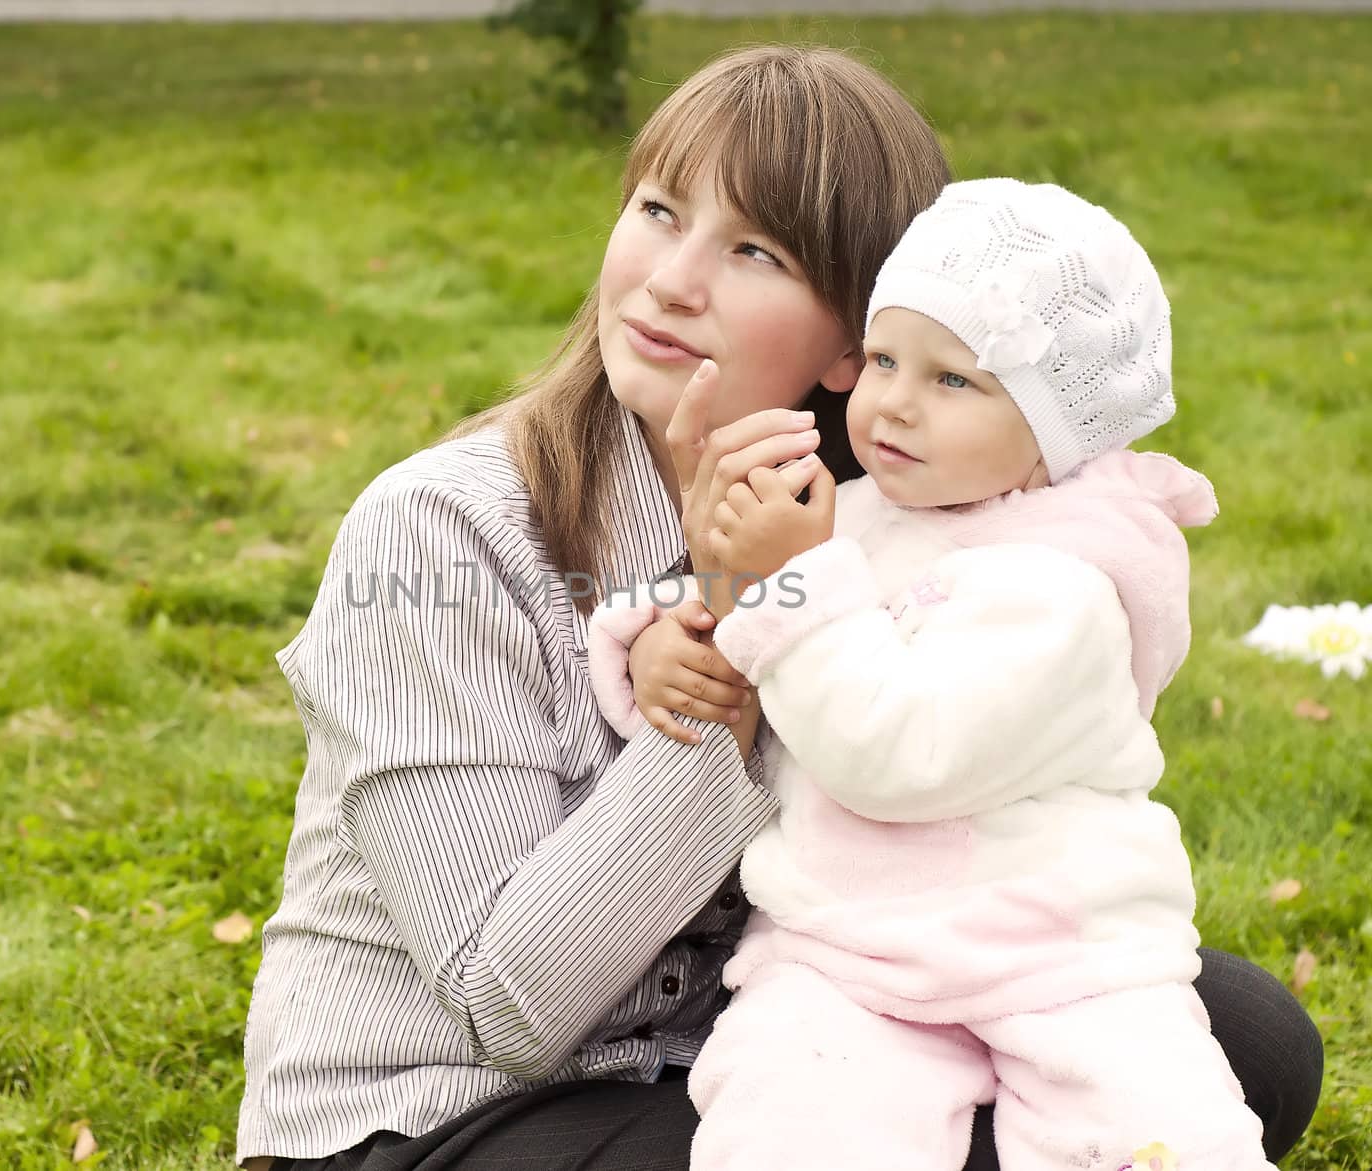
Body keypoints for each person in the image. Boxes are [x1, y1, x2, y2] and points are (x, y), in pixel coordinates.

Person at [235, 47, 1323, 1171]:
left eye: (753, 250)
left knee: (1237, 1038)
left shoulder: (892, 528)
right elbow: (508, 1007)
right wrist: (742, 647)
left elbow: (964, 784)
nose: (670, 279)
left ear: (862, 338)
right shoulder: (439, 532)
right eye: (658, 211)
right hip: (443, 1112)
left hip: (760, 1032)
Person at [588, 177, 1296, 1170]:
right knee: (788, 1127)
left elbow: (897, 749)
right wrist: (665, 639)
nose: (893, 405)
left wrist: (788, 582)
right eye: (883, 359)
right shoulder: (866, 514)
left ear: (1059, 435)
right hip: (841, 955)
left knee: (1157, 1135)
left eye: (953, 381)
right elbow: (746, 600)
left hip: (1058, 954)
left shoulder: (1066, 589)